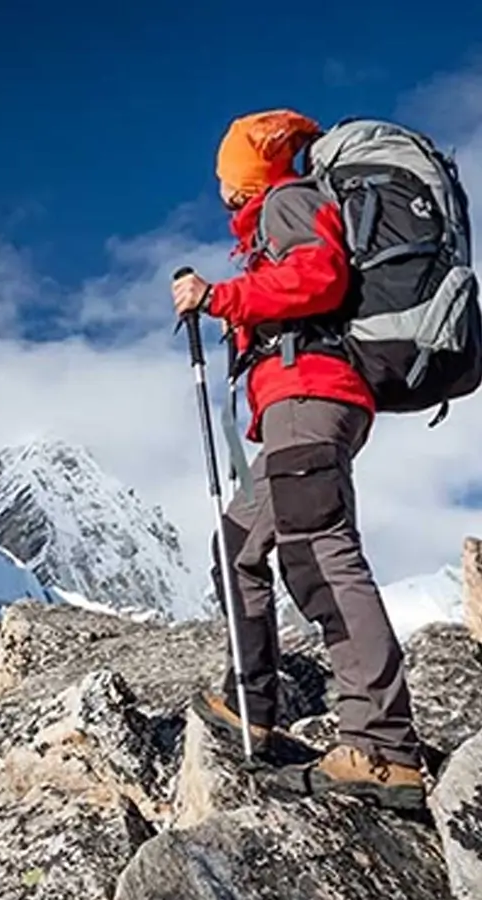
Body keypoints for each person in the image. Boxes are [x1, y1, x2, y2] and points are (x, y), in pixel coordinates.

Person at [171, 109, 426, 810]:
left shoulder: (288, 202)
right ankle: (253, 703)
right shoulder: (273, 219)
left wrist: (219, 298)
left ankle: (382, 746)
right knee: (238, 548)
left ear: (245, 172)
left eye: (226, 174)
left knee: (320, 552)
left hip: (310, 394)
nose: (221, 188)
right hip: (295, 404)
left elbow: (320, 280)